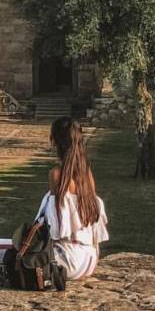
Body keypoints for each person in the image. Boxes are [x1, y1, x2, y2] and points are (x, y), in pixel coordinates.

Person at [35, 116, 109, 289]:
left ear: (53, 141)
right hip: (90, 260)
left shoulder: (57, 176)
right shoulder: (87, 176)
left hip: (68, 259)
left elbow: (54, 228)